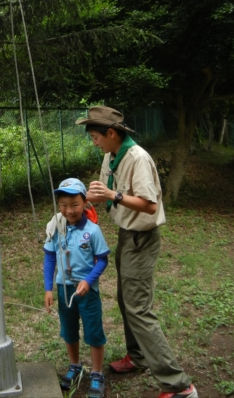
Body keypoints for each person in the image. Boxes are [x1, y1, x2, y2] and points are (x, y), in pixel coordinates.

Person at [75, 106, 199, 398]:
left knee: (139, 309)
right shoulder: (111, 155)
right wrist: (82, 198)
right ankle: (139, 356)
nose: (94, 143)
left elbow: (150, 205)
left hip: (142, 239)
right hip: (126, 235)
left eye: (95, 137)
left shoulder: (138, 158)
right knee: (125, 299)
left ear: (111, 133)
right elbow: (104, 191)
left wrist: (113, 196)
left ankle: (179, 386)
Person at [44, 178, 110, 398]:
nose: (69, 211)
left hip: (87, 292)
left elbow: (102, 259)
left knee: (93, 332)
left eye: (74, 205)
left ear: (85, 203)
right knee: (69, 330)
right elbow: (50, 258)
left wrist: (88, 280)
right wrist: (48, 288)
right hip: (64, 290)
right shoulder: (56, 228)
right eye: (63, 205)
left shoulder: (92, 231)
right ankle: (75, 365)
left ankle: (97, 374)